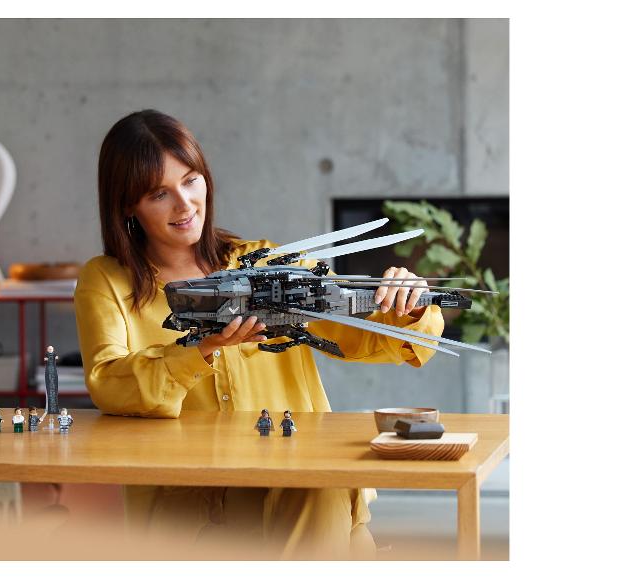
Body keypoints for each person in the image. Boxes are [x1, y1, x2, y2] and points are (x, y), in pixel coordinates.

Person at [74, 109, 444, 560]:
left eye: (191, 181)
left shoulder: (269, 264)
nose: (185, 205)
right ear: (128, 204)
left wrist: (410, 308)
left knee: (317, 485)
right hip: (191, 510)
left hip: (305, 492)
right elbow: (109, 383)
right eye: (159, 194)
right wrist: (201, 348)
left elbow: (357, 333)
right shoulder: (106, 281)